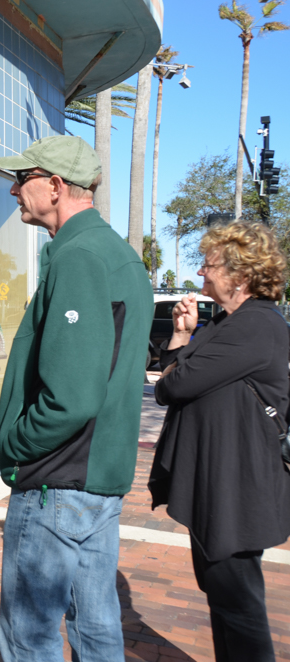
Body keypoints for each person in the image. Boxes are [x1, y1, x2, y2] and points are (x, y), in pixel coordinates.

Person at [0, 135, 152, 661]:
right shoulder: (115, 254)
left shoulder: (79, 256)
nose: (14, 189)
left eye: (24, 179)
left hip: (57, 481)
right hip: (93, 479)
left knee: (29, 636)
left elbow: (73, 398)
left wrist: (16, 444)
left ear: (56, 186)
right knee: (96, 625)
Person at [149, 221, 290, 662]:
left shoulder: (256, 326)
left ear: (240, 275)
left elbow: (172, 387)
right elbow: (173, 374)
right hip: (218, 485)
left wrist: (179, 364)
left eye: (209, 265)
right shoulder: (227, 322)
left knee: (239, 607)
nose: (200, 274)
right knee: (223, 600)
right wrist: (182, 334)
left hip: (237, 491)